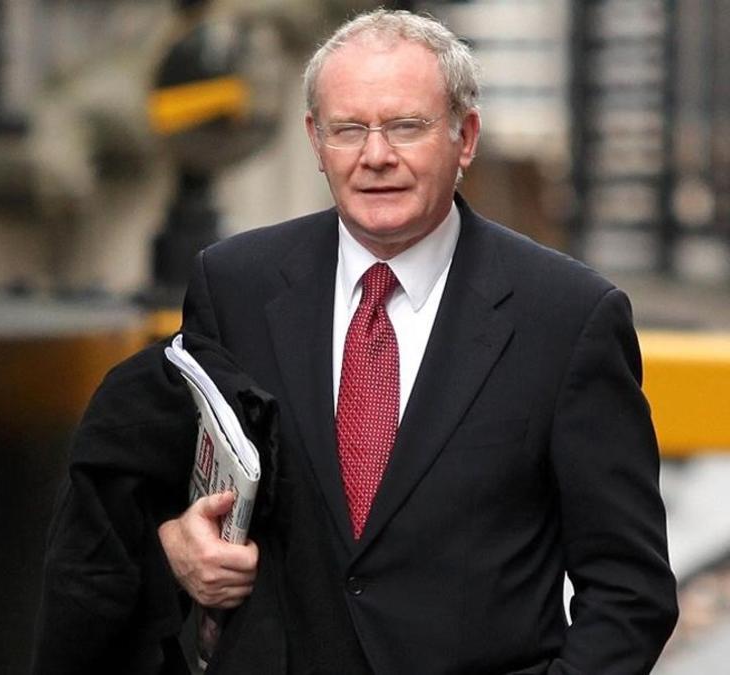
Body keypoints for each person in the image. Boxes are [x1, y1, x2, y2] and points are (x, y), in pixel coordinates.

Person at [157, 8, 678, 674]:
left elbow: (630, 590)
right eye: (349, 129)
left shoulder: (569, 318)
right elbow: (150, 495)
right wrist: (176, 543)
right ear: (316, 141)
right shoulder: (232, 288)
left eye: (406, 126)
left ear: (466, 136)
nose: (376, 156)